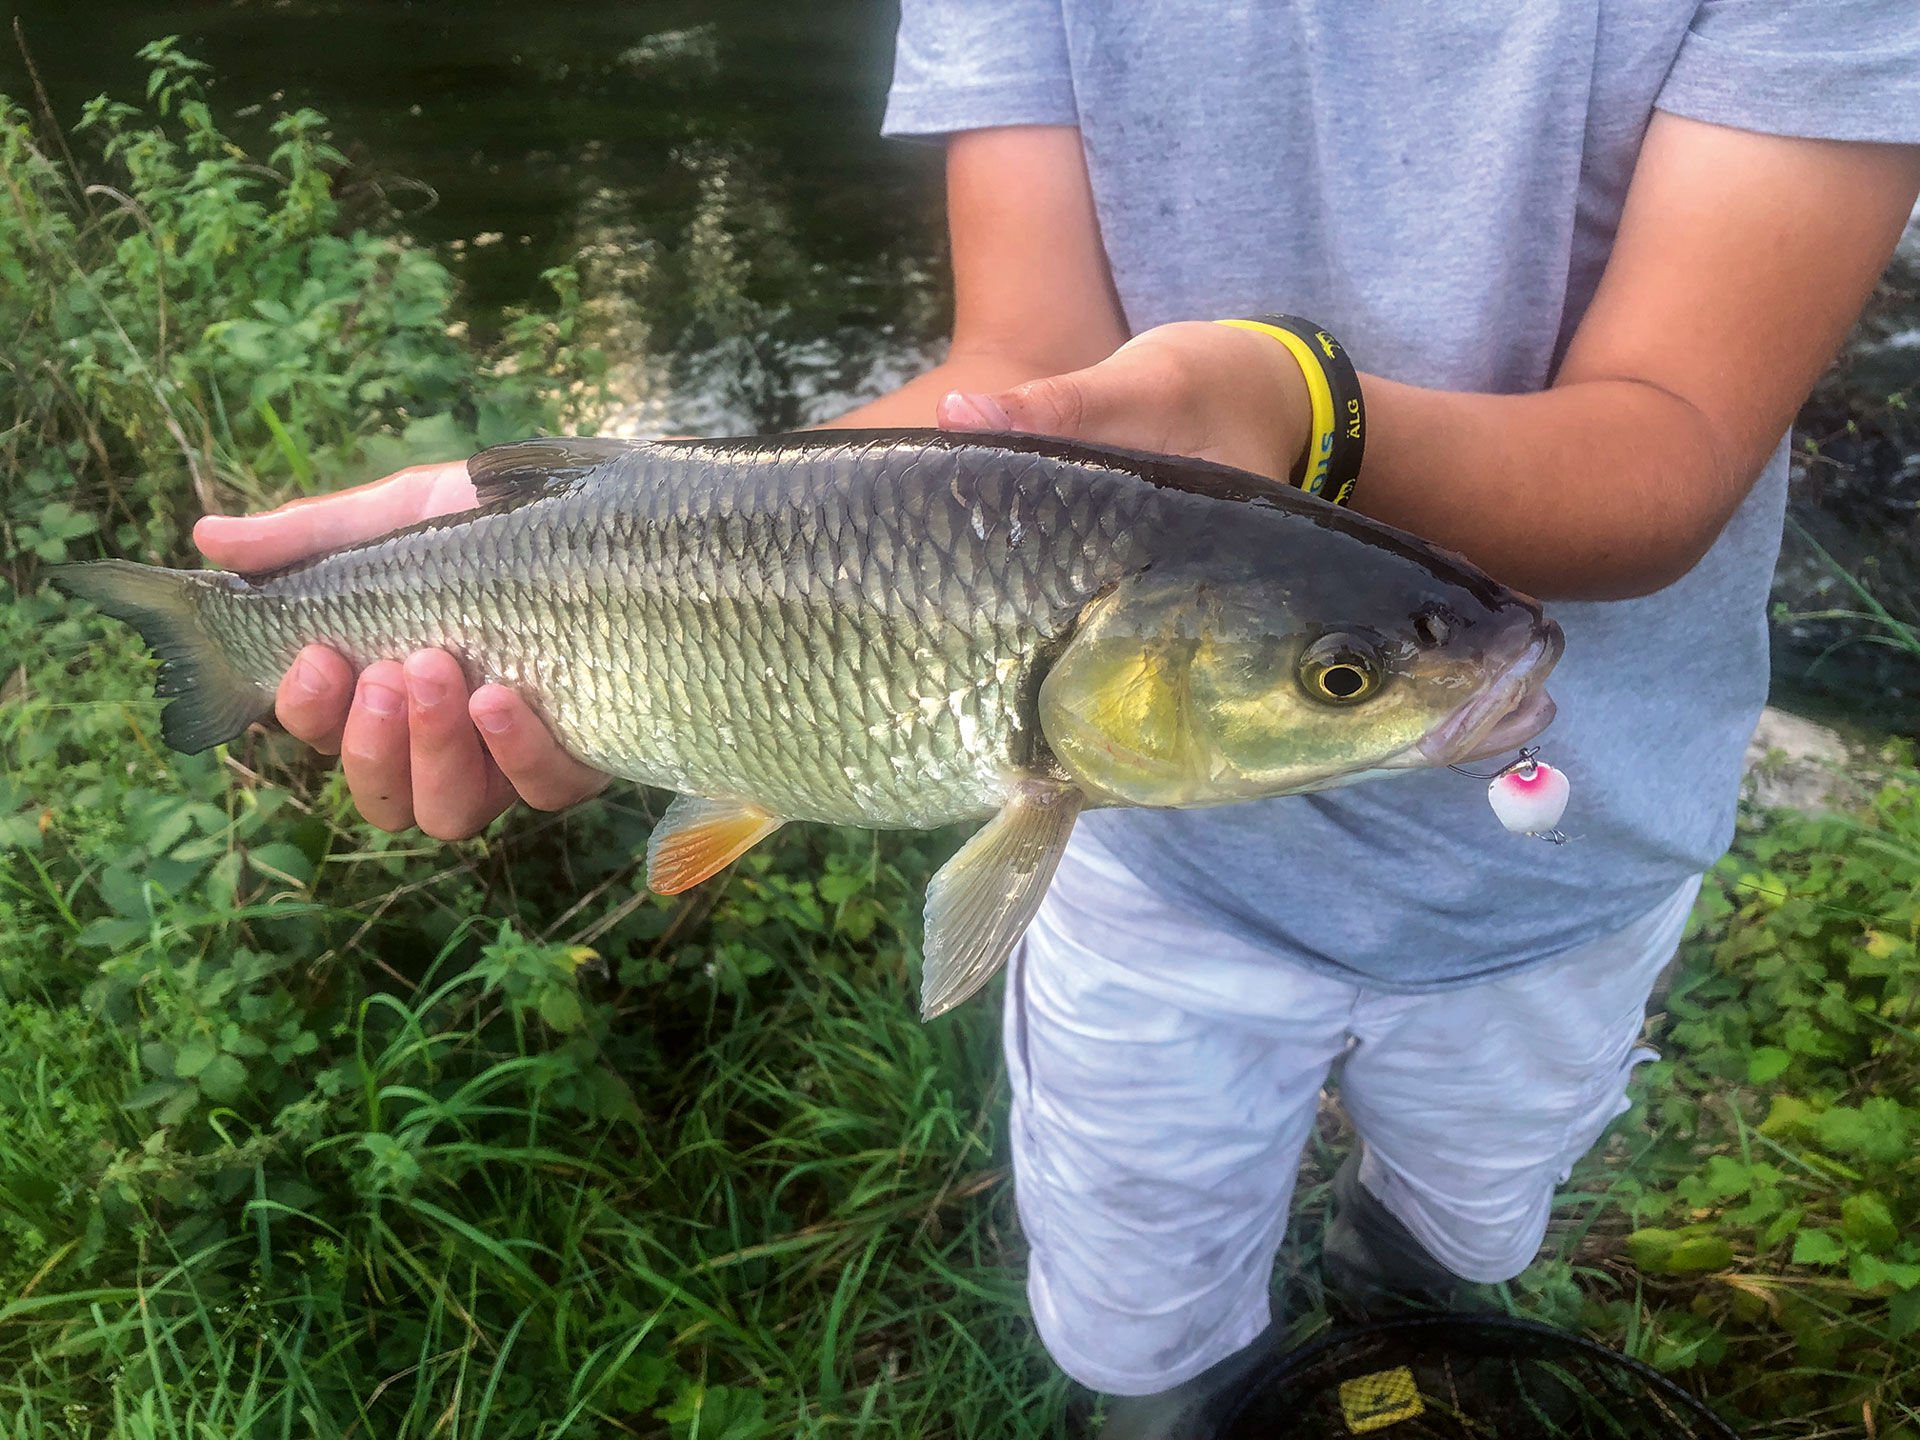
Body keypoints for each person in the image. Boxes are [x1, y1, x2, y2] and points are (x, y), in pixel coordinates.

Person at [195, 2, 1920, 1433]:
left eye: (1342, 680)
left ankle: (1414, 1297)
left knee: (1474, 1202)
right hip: (1160, 892)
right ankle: (1176, 1391)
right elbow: (1009, 377)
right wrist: (599, 523)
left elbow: (1678, 444)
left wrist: (1279, 395)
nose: (1375, 685)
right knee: (1141, 1291)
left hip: (1574, 869)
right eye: (1345, 678)